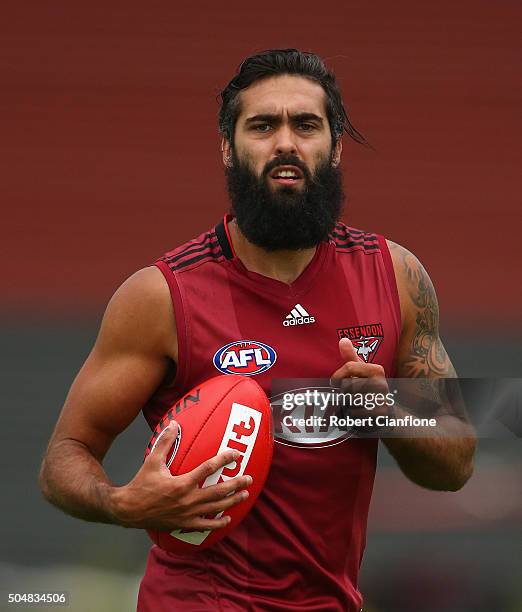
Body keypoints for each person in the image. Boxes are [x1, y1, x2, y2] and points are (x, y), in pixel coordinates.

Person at [39, 49, 476, 611]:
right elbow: (64, 457)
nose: (286, 143)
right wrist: (123, 503)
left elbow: (457, 465)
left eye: (307, 125)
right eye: (263, 125)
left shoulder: (396, 276)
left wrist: (385, 411)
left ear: (335, 147)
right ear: (229, 147)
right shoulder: (161, 296)